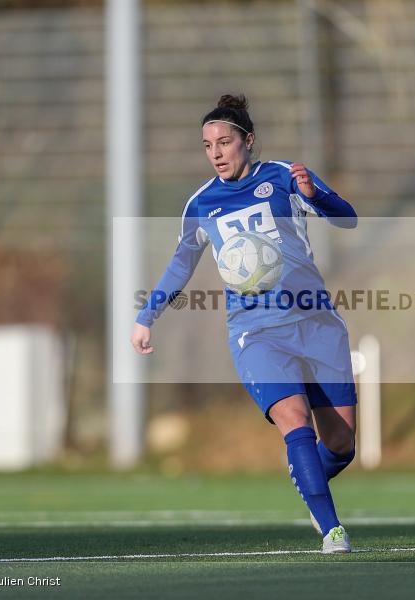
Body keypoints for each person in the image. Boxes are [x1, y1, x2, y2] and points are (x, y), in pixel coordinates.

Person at [131, 94, 359, 554]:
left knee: (341, 445)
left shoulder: (285, 177)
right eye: (207, 144)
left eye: (224, 141)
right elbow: (181, 265)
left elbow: (348, 219)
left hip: (317, 322)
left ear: (247, 141)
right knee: (296, 423)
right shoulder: (202, 203)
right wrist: (146, 315)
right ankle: (332, 528)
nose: (216, 152)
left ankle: (306, 476)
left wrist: (316, 197)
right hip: (256, 331)